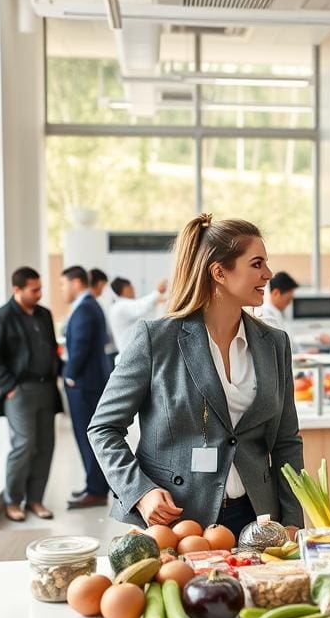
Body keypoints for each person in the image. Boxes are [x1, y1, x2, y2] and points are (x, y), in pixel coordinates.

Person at [88, 214, 304, 536]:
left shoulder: (274, 343)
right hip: (176, 518)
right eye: (257, 264)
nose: (268, 274)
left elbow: (286, 442)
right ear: (219, 272)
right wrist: (141, 493)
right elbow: (103, 428)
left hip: (259, 517)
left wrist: (291, 521)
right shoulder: (155, 339)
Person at [0, 267, 63, 522]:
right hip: (19, 392)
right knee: (24, 445)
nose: (40, 294)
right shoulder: (1, 317)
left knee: (46, 446)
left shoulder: (44, 315)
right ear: (16, 289)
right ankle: (13, 501)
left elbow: (52, 350)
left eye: (40, 288)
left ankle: (36, 500)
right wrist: (9, 387)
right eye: (34, 290)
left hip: (46, 389)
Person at [60, 265, 113, 509]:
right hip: (92, 381)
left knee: (87, 436)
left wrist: (69, 374)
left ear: (76, 282)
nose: (62, 289)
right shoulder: (90, 306)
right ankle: (95, 485)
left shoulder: (85, 308)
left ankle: (96, 490)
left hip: (84, 384)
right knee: (89, 435)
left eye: (64, 284)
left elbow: (80, 345)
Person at [109, 276, 168, 359]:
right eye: (132, 287)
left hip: (131, 357)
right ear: (125, 289)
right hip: (129, 358)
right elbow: (141, 306)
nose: (134, 290)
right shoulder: (120, 306)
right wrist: (157, 292)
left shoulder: (120, 306)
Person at [257, 271, 299, 344]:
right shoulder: (267, 316)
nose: (289, 303)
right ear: (276, 293)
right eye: (288, 299)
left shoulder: (276, 313)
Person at [90, 268, 118, 370]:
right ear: (101, 283)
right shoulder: (102, 302)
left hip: (103, 352)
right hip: (109, 351)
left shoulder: (89, 304)